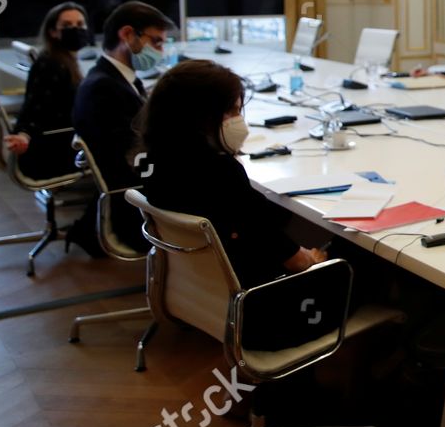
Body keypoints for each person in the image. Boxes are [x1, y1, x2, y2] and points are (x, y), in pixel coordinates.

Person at [140, 61, 327, 288]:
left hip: (194, 286)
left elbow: (254, 218)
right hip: (261, 295)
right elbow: (296, 263)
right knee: (359, 254)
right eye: (232, 111)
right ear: (199, 115)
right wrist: (313, 259)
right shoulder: (220, 172)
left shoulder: (152, 159)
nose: (239, 120)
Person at [72, 1, 174, 249]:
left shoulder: (113, 78)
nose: (160, 50)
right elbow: (135, 158)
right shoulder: (104, 89)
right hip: (134, 212)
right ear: (128, 35)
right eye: (156, 42)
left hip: (133, 196)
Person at [5, 2, 91, 180]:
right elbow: (34, 110)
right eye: (67, 25)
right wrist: (23, 135)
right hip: (54, 152)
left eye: (80, 24)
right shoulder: (51, 65)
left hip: (58, 143)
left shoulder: (62, 59)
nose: (75, 29)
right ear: (53, 32)